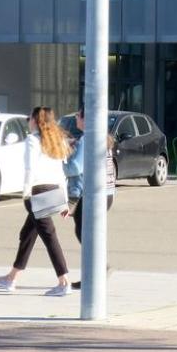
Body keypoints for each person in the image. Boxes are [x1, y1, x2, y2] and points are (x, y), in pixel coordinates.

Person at [0, 107, 73, 296]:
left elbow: (30, 168)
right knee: (27, 234)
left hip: (38, 191)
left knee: (49, 237)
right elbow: (62, 173)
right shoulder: (57, 140)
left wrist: (26, 192)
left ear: (36, 121)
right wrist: (64, 200)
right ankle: (11, 277)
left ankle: (64, 282)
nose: (28, 121)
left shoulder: (32, 140)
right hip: (53, 190)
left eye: (30, 118)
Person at [64, 106, 117, 291]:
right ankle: (97, 272)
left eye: (78, 116)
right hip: (107, 193)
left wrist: (62, 164)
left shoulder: (89, 139)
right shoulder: (103, 138)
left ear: (86, 119)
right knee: (88, 234)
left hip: (93, 195)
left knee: (84, 234)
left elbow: (75, 168)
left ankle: (95, 273)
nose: (76, 118)